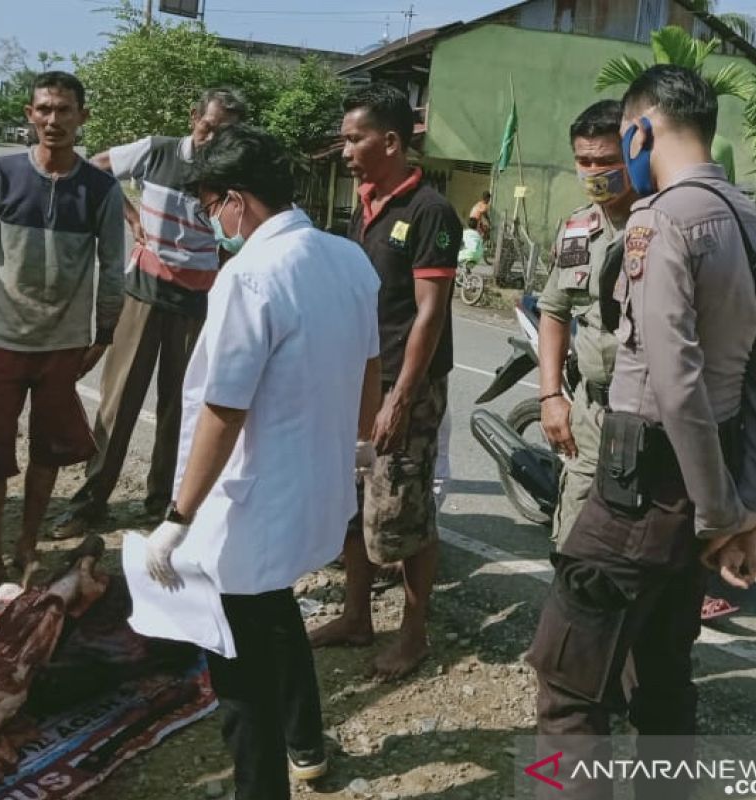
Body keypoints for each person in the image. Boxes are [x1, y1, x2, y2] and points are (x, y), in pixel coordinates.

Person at [527, 65, 756, 793]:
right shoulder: (752, 222)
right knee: (664, 673)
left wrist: (720, 516)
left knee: (569, 683)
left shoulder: (658, 219)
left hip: (640, 486)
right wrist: (747, 509)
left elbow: (673, 379)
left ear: (640, 131)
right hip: (709, 486)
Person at [139, 124, 381, 799]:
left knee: (236, 669)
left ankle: (261, 786)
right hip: (310, 487)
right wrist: (357, 443)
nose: (212, 220)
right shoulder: (346, 258)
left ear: (238, 200)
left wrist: (177, 517)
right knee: (274, 612)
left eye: (212, 205)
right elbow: (370, 363)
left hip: (249, 502)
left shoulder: (248, 276)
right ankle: (307, 745)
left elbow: (224, 408)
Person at [0, 71, 126, 597]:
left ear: (82, 117)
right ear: (29, 114)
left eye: (64, 110)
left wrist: (103, 332)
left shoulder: (101, 189)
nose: (53, 120)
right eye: (44, 109)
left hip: (63, 343)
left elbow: (114, 267)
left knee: (49, 450)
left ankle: (27, 547)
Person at [309, 83, 461, 681]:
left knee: (406, 511)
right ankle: (355, 617)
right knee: (351, 503)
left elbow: (431, 311)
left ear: (391, 141)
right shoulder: (365, 203)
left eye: (354, 138)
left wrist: (399, 398)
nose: (344, 150)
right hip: (359, 378)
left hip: (407, 386)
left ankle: (414, 635)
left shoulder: (430, 213)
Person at [52, 88, 247, 539]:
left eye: (225, 133)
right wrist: (129, 214)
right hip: (143, 293)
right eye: (208, 126)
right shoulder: (155, 151)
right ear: (193, 115)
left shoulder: (231, 171)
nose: (212, 138)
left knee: (183, 408)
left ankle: (163, 503)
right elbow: (92, 169)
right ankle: (91, 501)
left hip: (198, 302)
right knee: (119, 402)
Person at [537, 99, 635, 550]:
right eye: (584, 160)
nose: (594, 171)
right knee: (575, 539)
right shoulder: (578, 230)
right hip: (591, 412)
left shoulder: (665, 223)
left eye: (607, 161)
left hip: (649, 417)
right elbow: (554, 311)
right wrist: (552, 397)